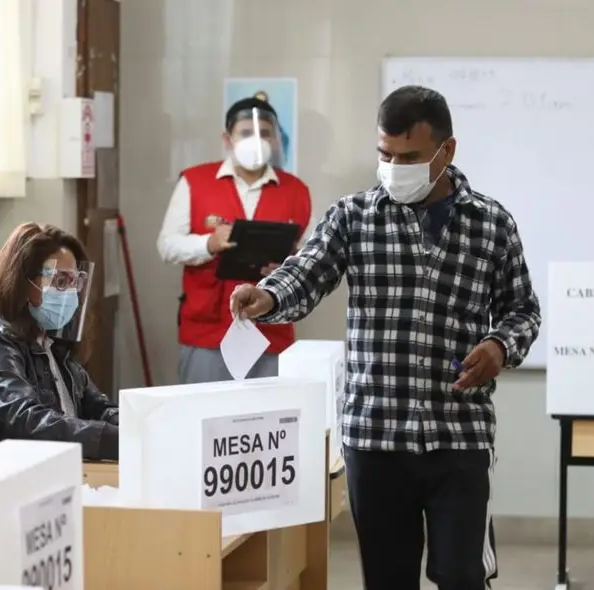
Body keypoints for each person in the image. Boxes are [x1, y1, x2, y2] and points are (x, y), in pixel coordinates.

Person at [229, 86, 541, 590]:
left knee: (460, 575)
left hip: (459, 435)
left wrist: (500, 345)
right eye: (385, 154)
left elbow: (522, 309)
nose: (394, 166)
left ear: (447, 151)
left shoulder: (491, 225)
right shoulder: (353, 217)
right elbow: (306, 274)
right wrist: (265, 297)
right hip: (375, 438)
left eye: (410, 157)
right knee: (387, 579)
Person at [157, 96, 312, 384]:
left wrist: (285, 265)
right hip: (207, 331)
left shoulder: (296, 191)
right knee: (203, 418)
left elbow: (309, 259)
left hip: (271, 332)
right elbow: (167, 245)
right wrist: (208, 244)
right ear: (227, 138)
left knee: (268, 422)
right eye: (246, 132)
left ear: (276, 139)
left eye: (265, 133)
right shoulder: (195, 181)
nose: (257, 140)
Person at [0, 222, 119, 464]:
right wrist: (115, 440)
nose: (69, 294)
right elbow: (29, 422)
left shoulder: (52, 344)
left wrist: (142, 425)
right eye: (60, 282)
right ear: (23, 283)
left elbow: (97, 408)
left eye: (74, 282)